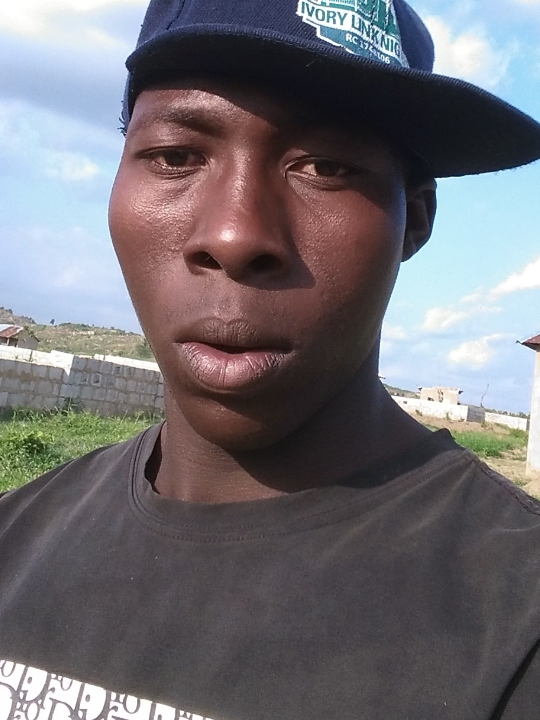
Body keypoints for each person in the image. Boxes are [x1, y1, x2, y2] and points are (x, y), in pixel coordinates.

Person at [1, 1, 540, 718]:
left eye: (326, 166)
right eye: (175, 156)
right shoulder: (16, 538)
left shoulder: (517, 623)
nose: (234, 235)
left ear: (414, 219)